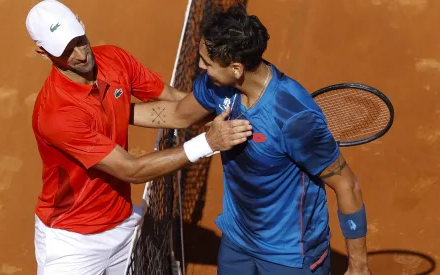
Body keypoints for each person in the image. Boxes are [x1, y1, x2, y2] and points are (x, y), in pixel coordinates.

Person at [132, 3, 371, 275]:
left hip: (290, 254)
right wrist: (113, 112)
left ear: (236, 68)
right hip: (238, 238)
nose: (200, 66)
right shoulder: (217, 86)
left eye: (207, 62)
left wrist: (359, 266)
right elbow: (177, 114)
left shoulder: (293, 118)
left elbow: (347, 184)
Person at [25, 1, 253, 274]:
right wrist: (207, 143)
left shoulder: (114, 59)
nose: (81, 54)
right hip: (73, 242)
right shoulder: (57, 113)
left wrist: (226, 106)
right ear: (43, 52)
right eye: (65, 50)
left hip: (123, 224)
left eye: (79, 40)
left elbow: (178, 107)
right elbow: (131, 170)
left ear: (81, 23)